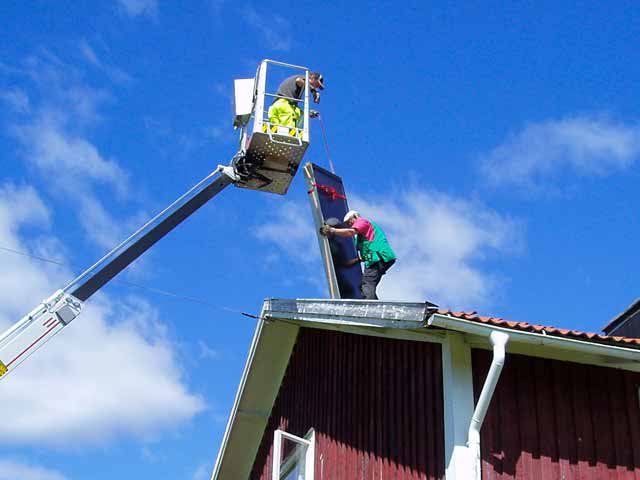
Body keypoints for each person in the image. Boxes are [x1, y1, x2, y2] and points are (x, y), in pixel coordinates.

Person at [320, 210, 396, 300]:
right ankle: (375, 305)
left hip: (378, 258)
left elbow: (350, 232)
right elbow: (365, 252)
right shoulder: (362, 236)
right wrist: (353, 261)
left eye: (350, 221)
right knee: (365, 285)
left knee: (367, 283)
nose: (349, 224)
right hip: (379, 258)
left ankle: (372, 307)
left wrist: (332, 230)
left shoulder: (362, 222)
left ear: (355, 216)